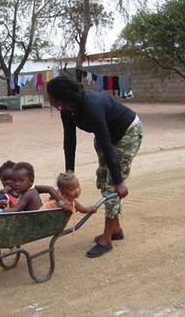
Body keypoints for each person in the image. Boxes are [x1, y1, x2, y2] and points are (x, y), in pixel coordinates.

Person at [47, 75, 143, 258]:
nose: (48, 100)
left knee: (111, 186)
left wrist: (119, 181)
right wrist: (69, 175)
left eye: (50, 96)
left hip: (127, 133)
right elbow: (69, 140)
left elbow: (108, 146)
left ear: (60, 97)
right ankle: (116, 230)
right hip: (106, 135)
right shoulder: (67, 109)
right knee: (102, 177)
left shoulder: (92, 105)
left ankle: (106, 241)